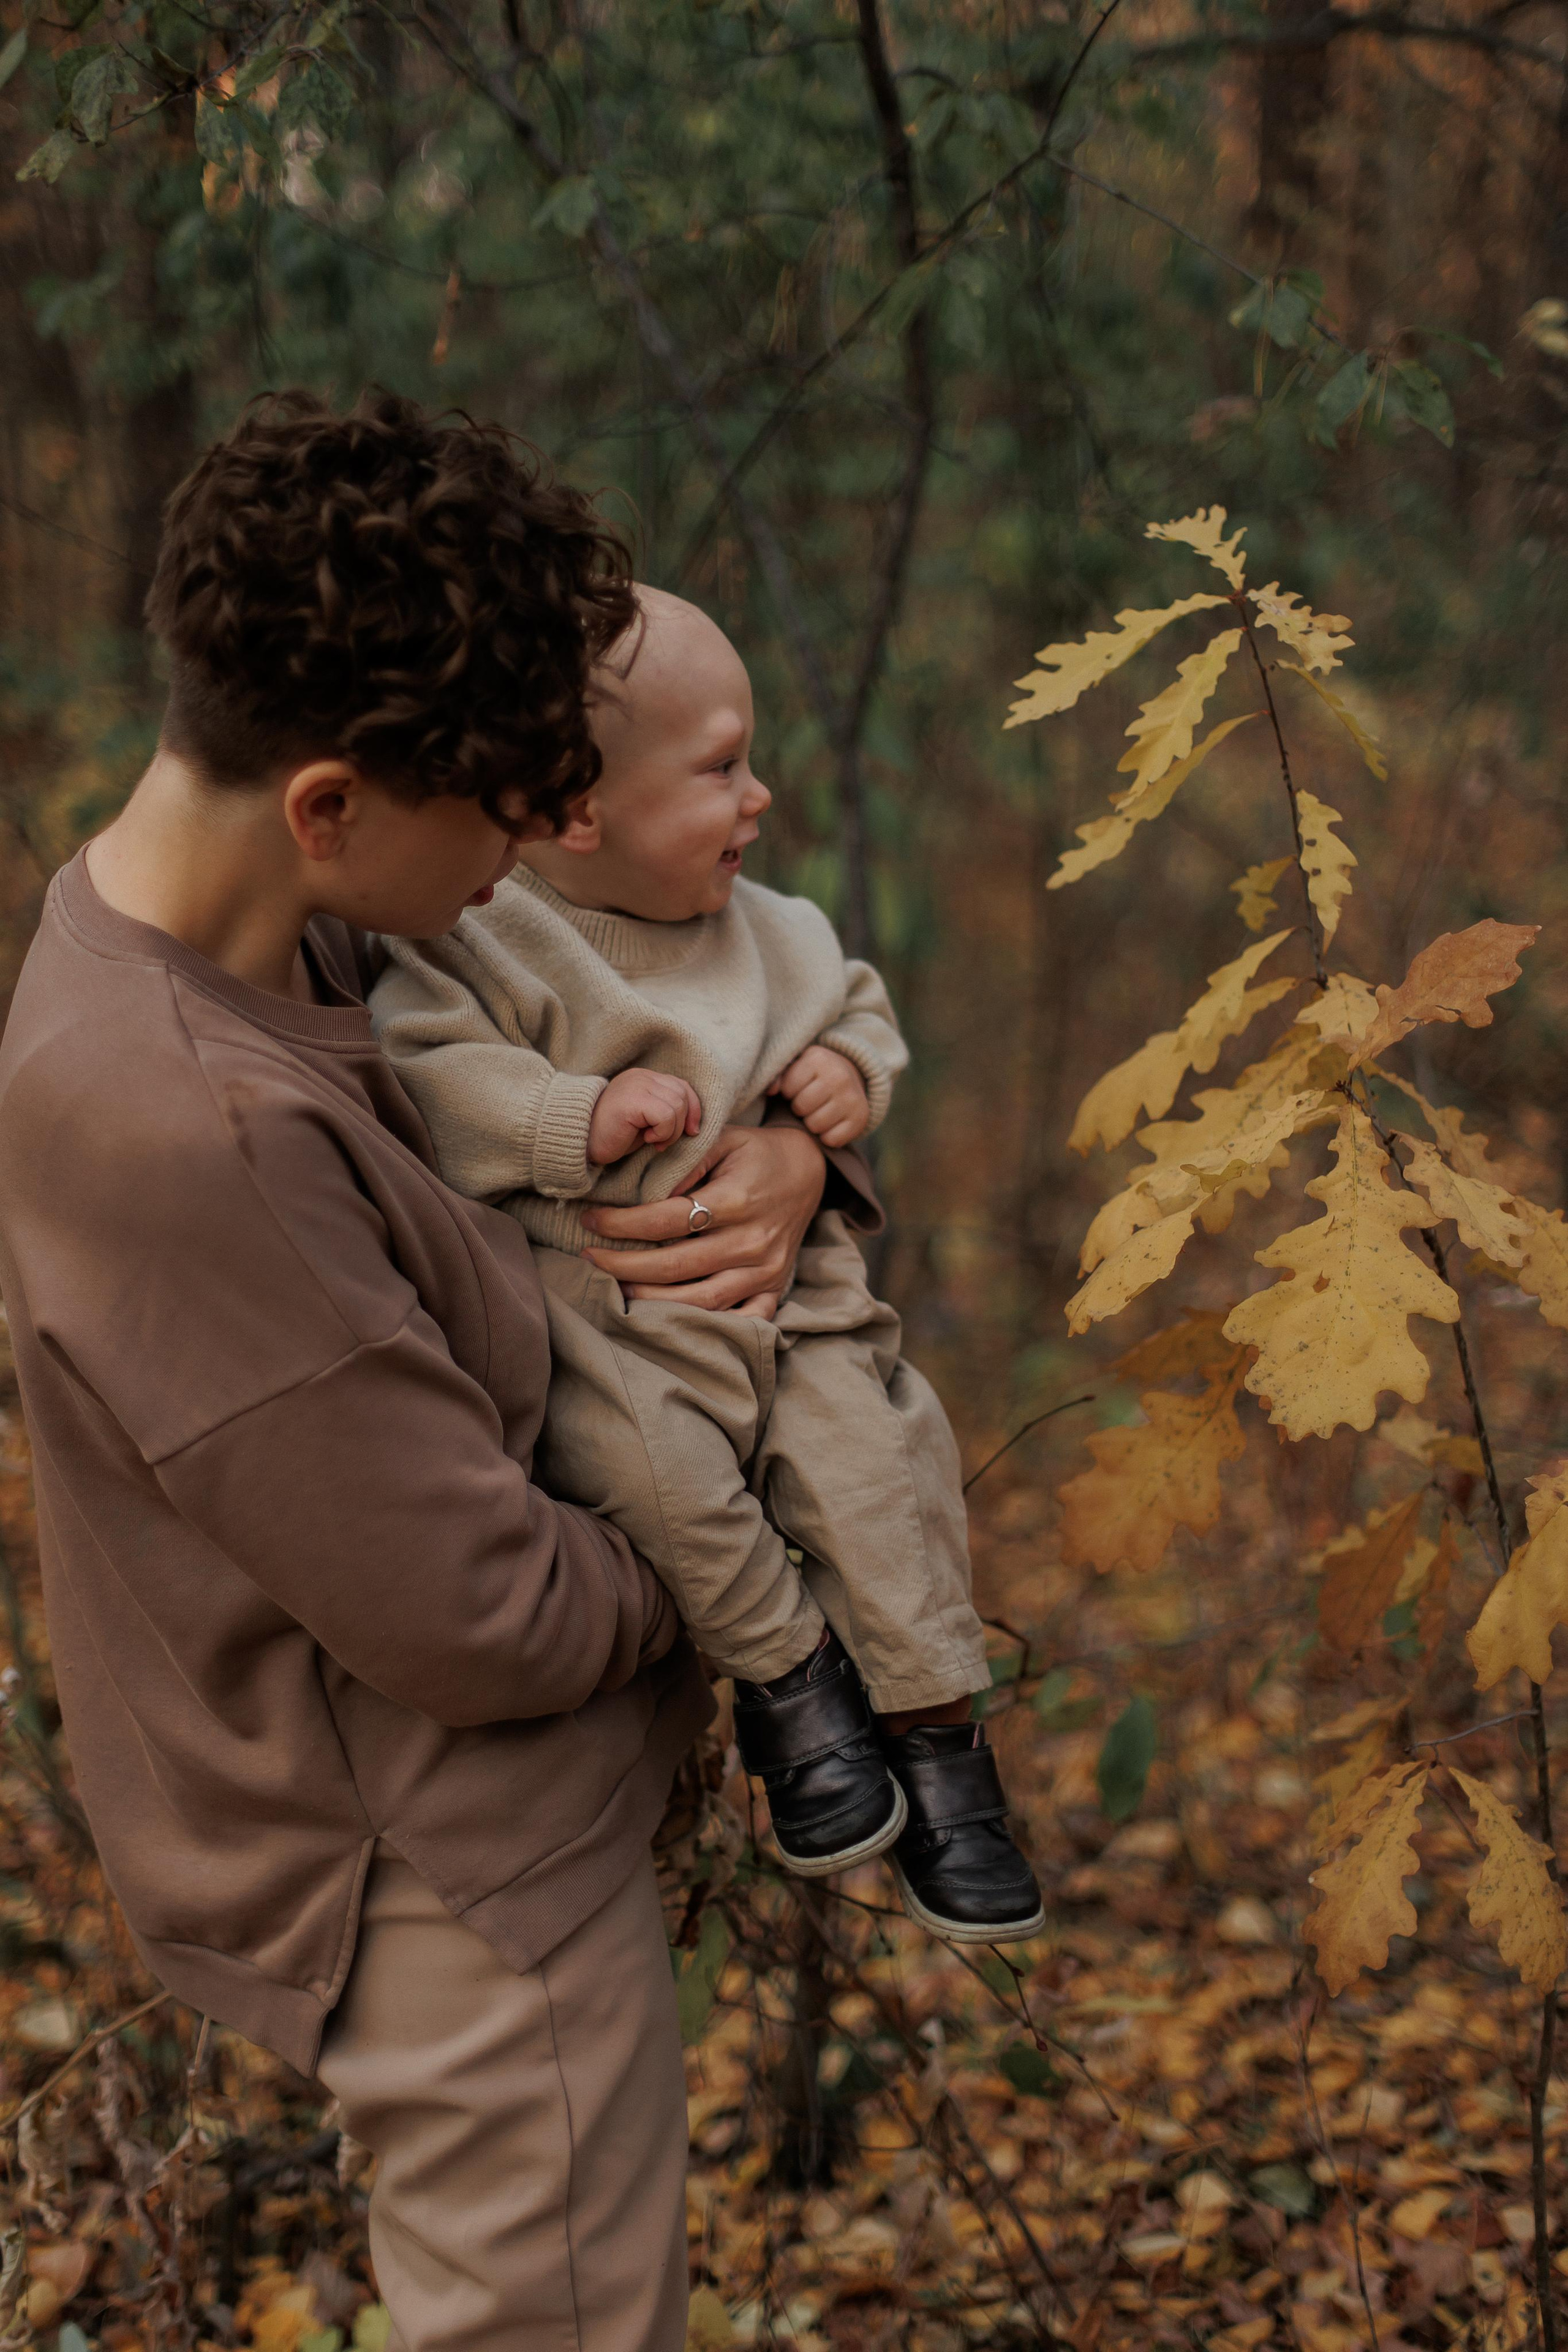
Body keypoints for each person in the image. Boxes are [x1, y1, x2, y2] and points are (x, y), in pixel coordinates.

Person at [0, 392, 871, 2352]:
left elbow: (666, 1014)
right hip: (461, 1890)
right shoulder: (176, 1121)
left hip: (503, 1840)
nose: (531, 858)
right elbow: (474, 1610)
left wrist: (798, 1152)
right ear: (329, 800)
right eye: (502, 814)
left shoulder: (291, 930)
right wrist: (752, 1542)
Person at [369, 587, 1044, 1945]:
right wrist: (571, 1117)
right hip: (623, 1323)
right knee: (655, 1478)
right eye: (723, 766)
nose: (761, 796)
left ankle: (936, 1732)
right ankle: (790, 1684)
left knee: (879, 1468)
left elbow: (856, 1004)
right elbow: (421, 1074)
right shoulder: (479, 935)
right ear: (574, 813)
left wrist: (839, 1081)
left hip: (804, 1312)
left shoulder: (774, 928)